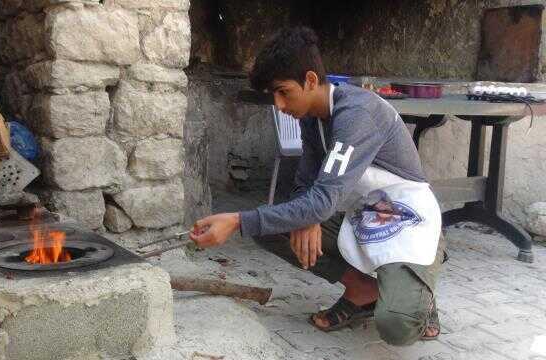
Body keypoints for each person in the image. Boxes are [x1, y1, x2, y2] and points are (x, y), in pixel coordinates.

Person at [189, 26, 446, 346]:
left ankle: (421, 293)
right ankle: (363, 291)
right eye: (274, 96)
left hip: (407, 218)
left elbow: (321, 201)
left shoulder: (357, 114)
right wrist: (307, 215)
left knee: (397, 325)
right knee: (272, 225)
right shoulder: (312, 119)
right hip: (361, 212)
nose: (279, 106)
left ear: (311, 80)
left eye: (283, 92)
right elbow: (304, 186)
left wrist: (237, 220)